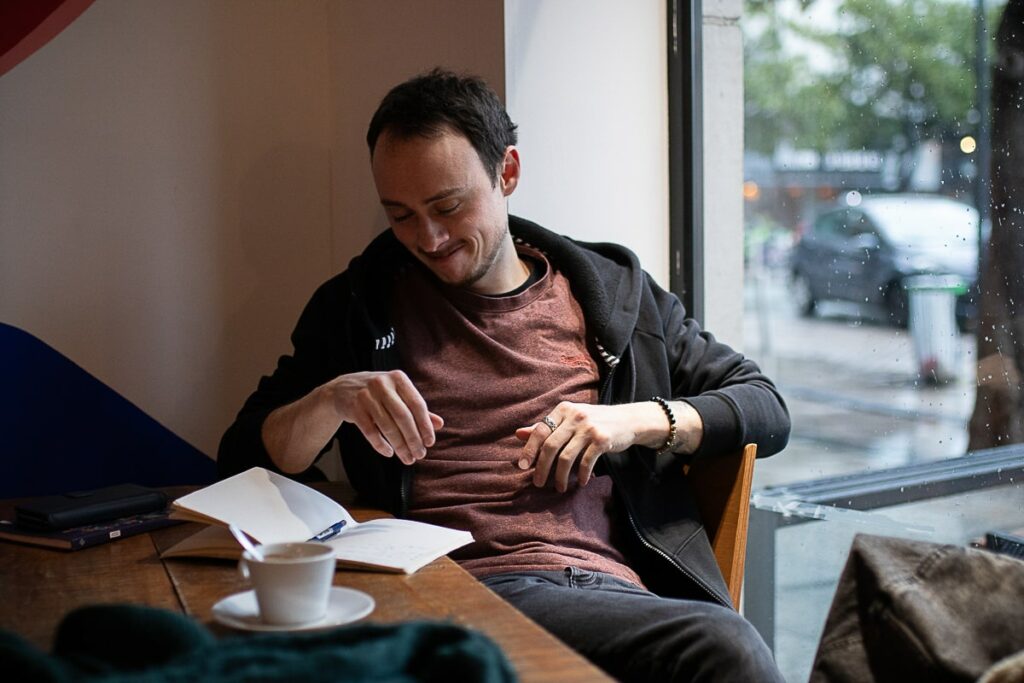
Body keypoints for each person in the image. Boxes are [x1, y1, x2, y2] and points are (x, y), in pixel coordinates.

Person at [219, 68, 790, 682]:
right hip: (440, 591)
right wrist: (332, 399)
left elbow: (765, 408)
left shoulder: (616, 296)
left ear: (507, 172)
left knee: (723, 648)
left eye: (447, 206)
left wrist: (630, 422)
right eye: (401, 215)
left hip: (605, 593)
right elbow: (244, 460)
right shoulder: (358, 308)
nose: (429, 238)